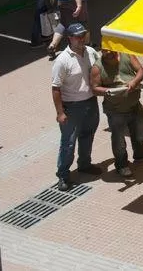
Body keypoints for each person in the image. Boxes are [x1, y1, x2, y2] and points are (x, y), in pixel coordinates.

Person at [91, 49, 143, 178]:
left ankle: (141, 155)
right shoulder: (97, 68)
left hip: (135, 105)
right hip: (116, 111)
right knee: (119, 140)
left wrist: (134, 82)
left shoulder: (127, 55)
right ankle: (121, 165)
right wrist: (108, 91)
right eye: (104, 50)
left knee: (138, 134)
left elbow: (141, 71)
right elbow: (94, 89)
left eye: (110, 49)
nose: (108, 52)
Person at [51, 23, 101, 191]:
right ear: (69, 38)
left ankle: (85, 164)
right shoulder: (62, 60)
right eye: (77, 36)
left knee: (88, 135)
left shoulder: (91, 52)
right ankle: (63, 175)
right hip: (71, 107)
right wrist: (60, 113)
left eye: (83, 35)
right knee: (68, 143)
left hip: (90, 103)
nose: (81, 39)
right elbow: (56, 88)